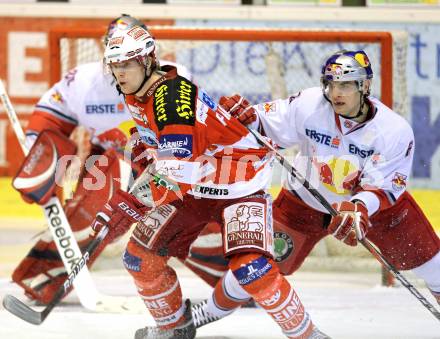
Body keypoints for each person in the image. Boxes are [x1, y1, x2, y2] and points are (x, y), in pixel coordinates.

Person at [94, 24, 330, 339]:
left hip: (238, 184)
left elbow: (178, 173)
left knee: (251, 269)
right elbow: (167, 148)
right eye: (115, 65)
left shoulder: (171, 96)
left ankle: (309, 335)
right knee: (140, 258)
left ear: (148, 61)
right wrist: (142, 142)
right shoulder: (136, 91)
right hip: (196, 186)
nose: (120, 73)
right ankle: (175, 329)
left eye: (127, 64)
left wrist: (134, 204)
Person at [188, 49, 440, 325]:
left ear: (364, 86)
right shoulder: (310, 104)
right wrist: (247, 118)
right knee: (252, 269)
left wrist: (358, 208)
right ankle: (201, 316)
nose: (336, 93)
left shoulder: (394, 130)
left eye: (345, 84)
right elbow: (266, 123)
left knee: (435, 269)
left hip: (377, 212)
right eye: (331, 84)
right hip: (302, 203)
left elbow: (382, 187)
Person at [11, 14, 193, 305]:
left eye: (131, 57)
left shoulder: (174, 79)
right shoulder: (80, 82)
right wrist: (39, 163)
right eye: (115, 53)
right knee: (99, 193)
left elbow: (185, 148)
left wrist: (153, 180)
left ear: (149, 56)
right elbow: (49, 117)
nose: (121, 65)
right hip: (114, 163)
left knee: (196, 226)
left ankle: (233, 274)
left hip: (171, 169)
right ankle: (46, 275)